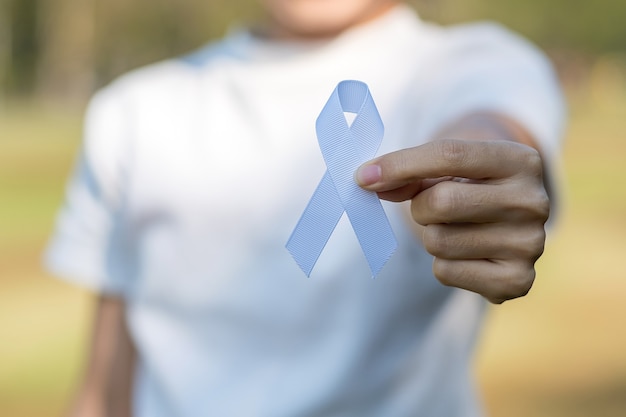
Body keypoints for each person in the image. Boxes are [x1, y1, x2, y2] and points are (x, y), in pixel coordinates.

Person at [45, 0, 565, 416]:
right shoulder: (134, 112)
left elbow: (484, 132)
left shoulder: (469, 64)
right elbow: (106, 383)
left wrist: (469, 185)